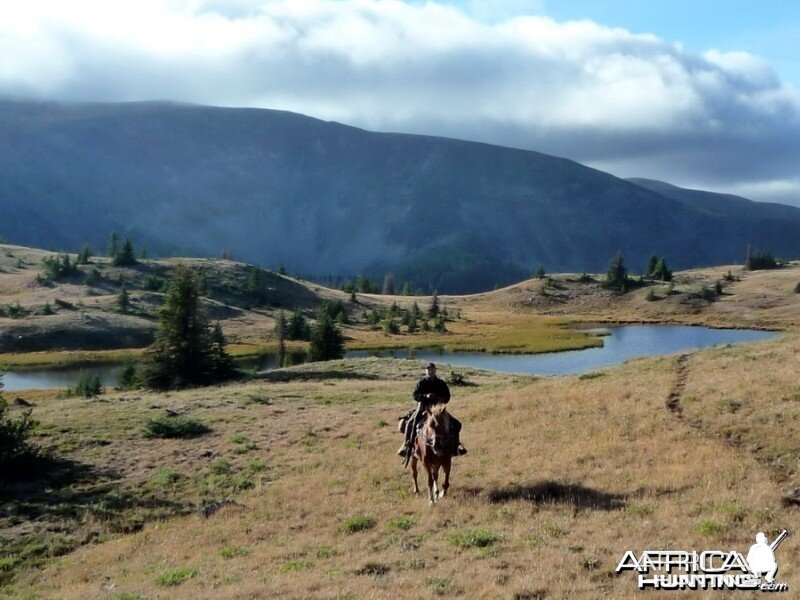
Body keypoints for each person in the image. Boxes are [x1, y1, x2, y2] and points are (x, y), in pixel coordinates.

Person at [397, 362, 467, 458]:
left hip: (438, 410)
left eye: (432, 369)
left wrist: (439, 399)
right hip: (423, 408)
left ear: (435, 370)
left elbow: (447, 396)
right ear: (426, 371)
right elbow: (415, 395)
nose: (430, 371)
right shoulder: (421, 383)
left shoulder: (441, 383)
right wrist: (425, 396)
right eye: (428, 369)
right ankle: (407, 446)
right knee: (410, 423)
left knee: (456, 424)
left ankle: (456, 446)